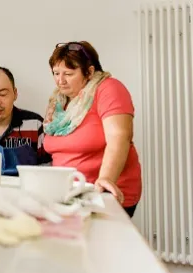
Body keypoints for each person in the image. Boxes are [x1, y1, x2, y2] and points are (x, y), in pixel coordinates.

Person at [42, 41, 142, 217]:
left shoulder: (108, 88)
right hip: (69, 193)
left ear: (89, 71)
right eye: (56, 73)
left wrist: (106, 178)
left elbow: (119, 136)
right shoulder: (59, 101)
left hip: (102, 192)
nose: (60, 80)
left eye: (68, 74)